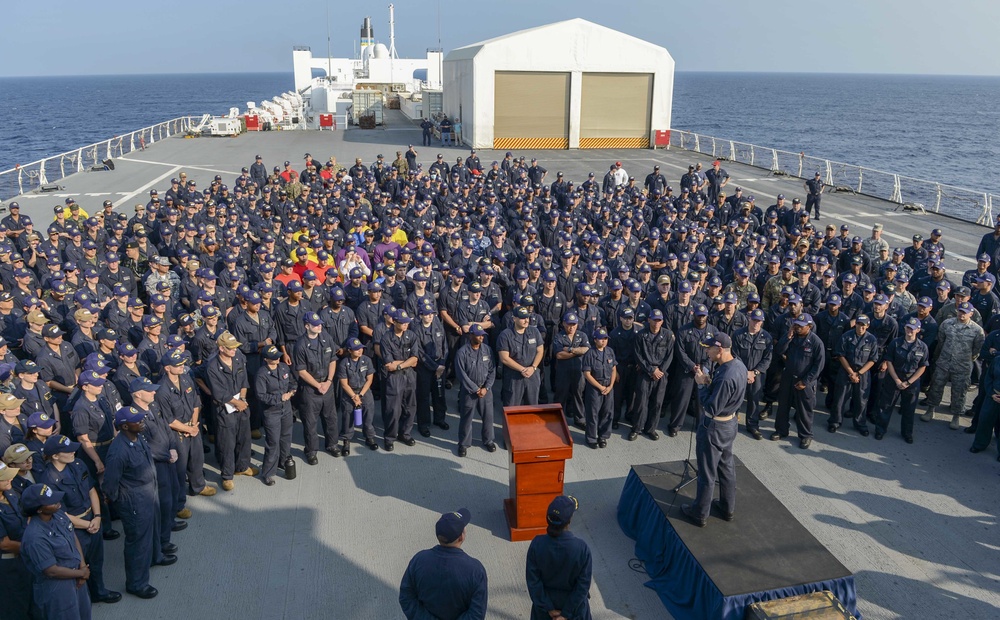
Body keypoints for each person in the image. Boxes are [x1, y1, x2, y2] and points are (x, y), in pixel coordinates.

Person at [38, 434, 122, 605]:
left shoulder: (77, 464)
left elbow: (91, 490)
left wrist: (97, 517)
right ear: (55, 456)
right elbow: (59, 512)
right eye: (67, 451)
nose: (72, 453)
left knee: (97, 561)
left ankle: (99, 591)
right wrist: (87, 524)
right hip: (73, 528)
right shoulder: (48, 480)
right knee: (77, 565)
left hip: (92, 518)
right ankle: (81, 601)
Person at [103, 405, 176, 600]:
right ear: (125, 426)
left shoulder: (137, 437)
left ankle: (155, 556)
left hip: (148, 492)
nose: (141, 422)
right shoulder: (118, 451)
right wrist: (122, 501)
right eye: (137, 420)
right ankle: (137, 583)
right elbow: (110, 484)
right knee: (138, 542)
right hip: (134, 499)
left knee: (152, 529)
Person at [680, 333, 747, 527]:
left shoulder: (726, 377)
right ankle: (727, 507)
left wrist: (701, 386)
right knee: (726, 466)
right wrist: (710, 383)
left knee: (707, 472)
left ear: (719, 350)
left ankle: (700, 513)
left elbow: (711, 407)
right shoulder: (738, 366)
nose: (706, 351)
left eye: (709, 348)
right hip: (730, 424)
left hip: (714, 427)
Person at [18, 482, 93, 619]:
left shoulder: (58, 514)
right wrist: (80, 573)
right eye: (51, 501)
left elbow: (73, 537)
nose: (57, 502)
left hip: (77, 575)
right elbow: (51, 570)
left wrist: (82, 567)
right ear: (39, 509)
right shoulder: (35, 537)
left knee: (84, 614)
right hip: (56, 587)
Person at [399, 508, 488, 620]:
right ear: (461, 537)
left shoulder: (419, 560)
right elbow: (477, 614)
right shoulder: (475, 570)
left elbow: (406, 597)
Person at [525, 495, 592, 620]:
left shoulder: (536, 544)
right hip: (574, 610)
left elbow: (533, 581)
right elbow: (583, 585)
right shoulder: (582, 549)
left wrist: (548, 608)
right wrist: (566, 613)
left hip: (544, 612)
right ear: (570, 520)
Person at [205, 331, 256, 490]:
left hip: (240, 405)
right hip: (224, 409)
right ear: (221, 348)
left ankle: (242, 466)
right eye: (231, 348)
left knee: (244, 438)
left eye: (235, 347)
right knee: (226, 443)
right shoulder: (212, 366)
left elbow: (244, 381)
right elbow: (218, 392)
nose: (234, 350)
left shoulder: (238, 358)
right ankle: (227, 475)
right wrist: (236, 402)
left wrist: (242, 400)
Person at [922, 301, 984, 430]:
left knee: (959, 392)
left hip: (963, 366)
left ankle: (956, 416)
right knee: (936, 386)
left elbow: (977, 350)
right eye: (960, 311)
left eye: (965, 313)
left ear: (971, 314)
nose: (962, 314)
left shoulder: (977, 330)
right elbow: (941, 341)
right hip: (944, 362)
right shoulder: (947, 324)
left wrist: (966, 359)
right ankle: (930, 409)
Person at [772, 313, 825, 449]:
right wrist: (787, 338)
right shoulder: (791, 337)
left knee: (804, 410)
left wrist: (805, 381)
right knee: (783, 406)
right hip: (788, 377)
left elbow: (818, 366)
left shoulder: (816, 342)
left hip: (805, 381)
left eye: (801, 326)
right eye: (796, 325)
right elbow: (779, 351)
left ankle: (805, 435)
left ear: (809, 326)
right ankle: (781, 430)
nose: (798, 328)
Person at [293, 312, 340, 463]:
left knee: (331, 418)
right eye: (315, 324)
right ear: (307, 326)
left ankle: (332, 444)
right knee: (310, 421)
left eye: (319, 323)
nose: (319, 326)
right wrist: (318, 385)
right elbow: (301, 371)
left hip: (327, 384)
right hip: (310, 389)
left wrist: (329, 381)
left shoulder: (326, 338)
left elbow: (333, 360)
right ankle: (311, 450)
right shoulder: (300, 345)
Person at [873, 317, 929, 443]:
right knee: (886, 406)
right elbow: (889, 361)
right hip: (894, 377)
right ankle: (880, 430)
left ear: (918, 330)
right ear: (904, 328)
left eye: (913, 329)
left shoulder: (922, 347)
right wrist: (897, 380)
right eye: (908, 327)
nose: (910, 330)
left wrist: (909, 382)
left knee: (909, 409)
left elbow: (923, 367)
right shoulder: (896, 343)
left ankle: (907, 433)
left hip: (912, 380)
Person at [378, 309, 420, 452]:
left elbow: (415, 360)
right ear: (394, 322)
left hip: (409, 375)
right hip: (394, 378)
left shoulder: (412, 336)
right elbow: (389, 365)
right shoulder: (386, 338)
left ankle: (405, 433)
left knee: (410, 406)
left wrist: (401, 364)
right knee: (393, 409)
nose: (405, 325)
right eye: (402, 323)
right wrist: (404, 363)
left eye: (406, 323)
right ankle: (390, 437)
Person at [255, 345, 296, 485]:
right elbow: (261, 396)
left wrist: (291, 391)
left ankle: (283, 461)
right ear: (266, 359)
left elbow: (292, 382)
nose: (277, 358)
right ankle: (268, 472)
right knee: (273, 441)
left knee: (286, 438)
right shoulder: (261, 374)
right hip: (271, 411)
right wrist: (279, 398)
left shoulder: (284, 368)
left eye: (278, 355)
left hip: (286, 409)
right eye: (274, 357)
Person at [454, 325, 496, 457]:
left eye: (483, 335)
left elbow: (492, 370)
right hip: (469, 391)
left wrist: (486, 388)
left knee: (488, 417)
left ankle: (488, 440)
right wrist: (475, 389)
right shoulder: (462, 352)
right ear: (471, 335)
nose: (481, 337)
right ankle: (463, 444)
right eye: (478, 335)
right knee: (466, 418)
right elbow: (461, 375)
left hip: (485, 390)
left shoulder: (487, 350)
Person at [732, 308, 772, 440]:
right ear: (749, 319)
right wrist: (745, 372)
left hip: (757, 375)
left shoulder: (766, 337)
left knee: (754, 400)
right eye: (754, 320)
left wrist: (753, 373)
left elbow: (767, 358)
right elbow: (734, 354)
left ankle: (752, 426)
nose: (756, 323)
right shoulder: (738, 334)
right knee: (736, 398)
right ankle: (731, 423)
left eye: (759, 321)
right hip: (739, 372)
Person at [497, 305, 545, 407]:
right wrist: (523, 369)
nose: (526, 320)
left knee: (532, 407)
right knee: (512, 408)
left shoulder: (534, 331)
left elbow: (540, 350)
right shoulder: (505, 335)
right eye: (522, 318)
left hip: (532, 374)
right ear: (514, 319)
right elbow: (504, 358)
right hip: (514, 376)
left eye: (527, 317)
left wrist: (533, 367)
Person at [337, 338, 378, 452]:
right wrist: (354, 397)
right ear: (349, 350)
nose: (360, 351)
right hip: (349, 393)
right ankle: (346, 439)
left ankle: (369, 437)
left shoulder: (366, 360)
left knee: (368, 415)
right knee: (347, 417)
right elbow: (344, 384)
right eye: (356, 349)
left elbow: (369, 379)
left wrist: (360, 395)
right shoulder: (344, 363)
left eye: (361, 348)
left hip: (364, 391)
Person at [581, 327, 616, 449]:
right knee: (593, 413)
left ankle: (603, 437)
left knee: (607, 412)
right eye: (601, 339)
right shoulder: (590, 354)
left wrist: (611, 386)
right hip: (595, 388)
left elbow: (613, 369)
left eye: (605, 338)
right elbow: (587, 374)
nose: (604, 341)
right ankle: (591, 438)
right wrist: (600, 387)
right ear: (595, 340)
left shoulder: (610, 351)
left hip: (608, 386)